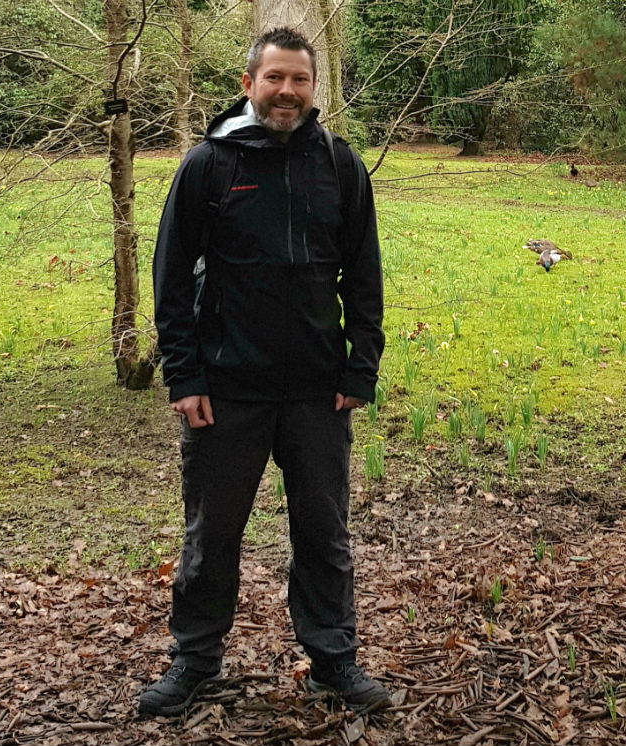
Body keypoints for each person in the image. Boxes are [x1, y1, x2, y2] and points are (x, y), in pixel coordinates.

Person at [141, 27, 387, 717]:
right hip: (226, 390)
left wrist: (360, 370)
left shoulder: (339, 165)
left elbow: (364, 278)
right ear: (248, 84)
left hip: (317, 392)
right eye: (274, 78)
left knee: (324, 535)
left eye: (299, 79)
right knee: (211, 535)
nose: (287, 91)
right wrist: (185, 378)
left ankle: (333, 662)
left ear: (314, 88)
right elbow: (170, 278)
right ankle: (195, 661)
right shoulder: (210, 164)